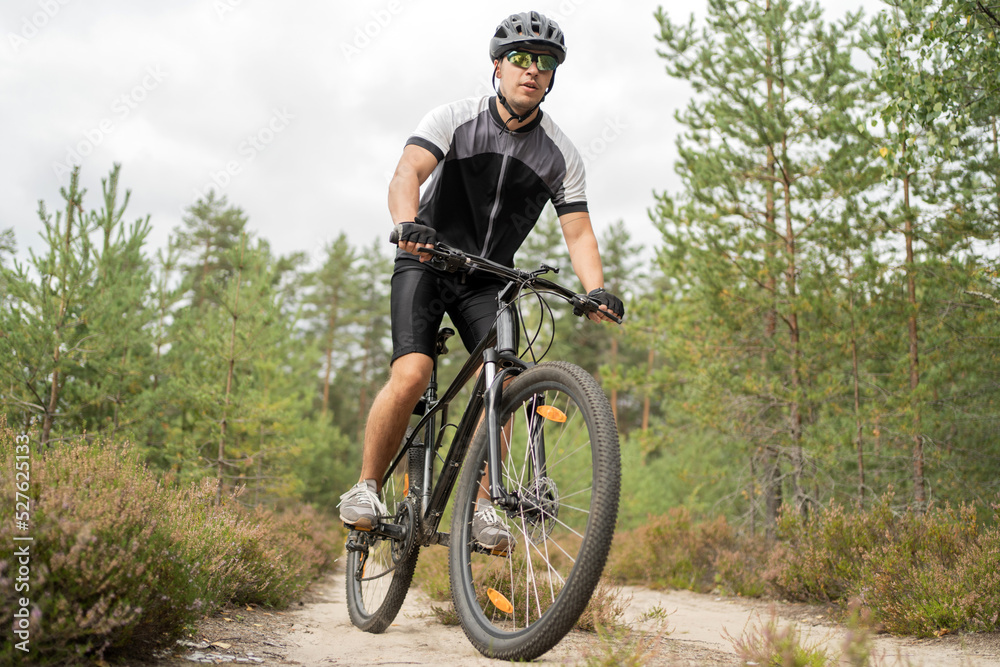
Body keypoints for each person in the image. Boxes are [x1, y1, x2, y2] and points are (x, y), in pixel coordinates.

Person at [338, 11, 625, 553]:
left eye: (545, 63)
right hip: (426, 258)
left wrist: (595, 288)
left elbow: (579, 230)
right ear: (497, 65)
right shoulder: (455, 117)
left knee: (505, 383)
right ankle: (366, 487)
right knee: (412, 373)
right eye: (520, 58)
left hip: (486, 279)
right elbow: (407, 173)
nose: (532, 70)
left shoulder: (561, 155)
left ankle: (483, 507)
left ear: (553, 76)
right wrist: (409, 224)